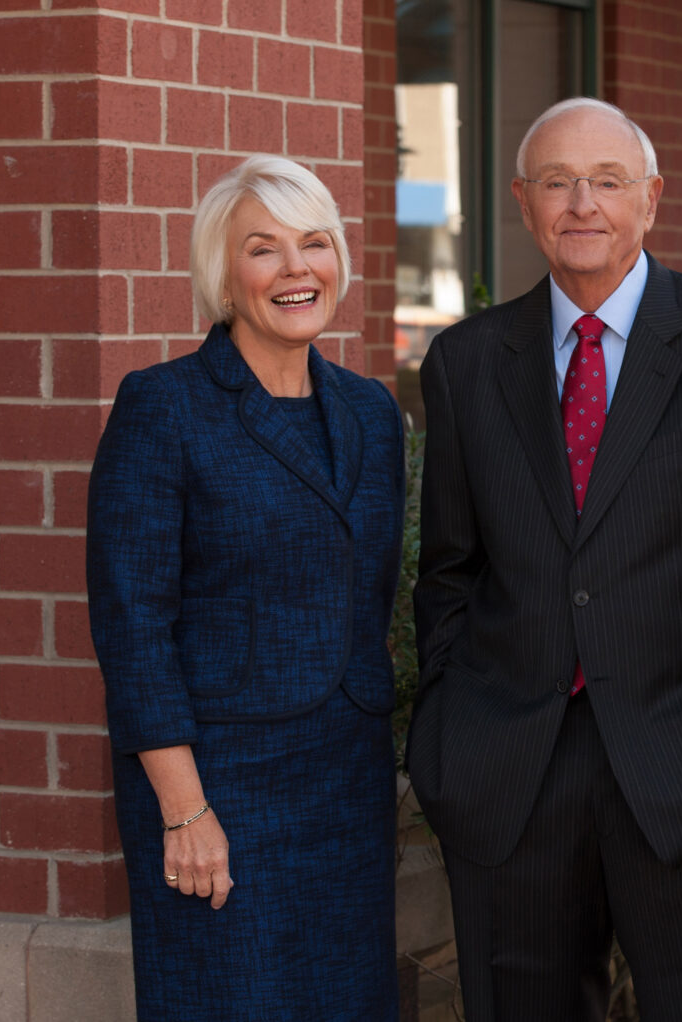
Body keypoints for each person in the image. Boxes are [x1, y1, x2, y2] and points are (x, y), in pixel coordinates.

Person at [406, 96, 682, 1021]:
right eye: (558, 182)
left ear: (651, 198)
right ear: (523, 202)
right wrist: (450, 727)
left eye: (607, 181)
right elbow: (450, 570)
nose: (582, 203)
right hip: (512, 770)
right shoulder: (466, 362)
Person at [86, 155, 405, 1021]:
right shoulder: (164, 407)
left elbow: (371, 596)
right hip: (221, 789)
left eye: (315, 243)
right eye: (264, 249)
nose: (298, 268)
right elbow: (133, 624)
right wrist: (185, 811)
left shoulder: (372, 412)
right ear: (224, 278)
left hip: (348, 778)